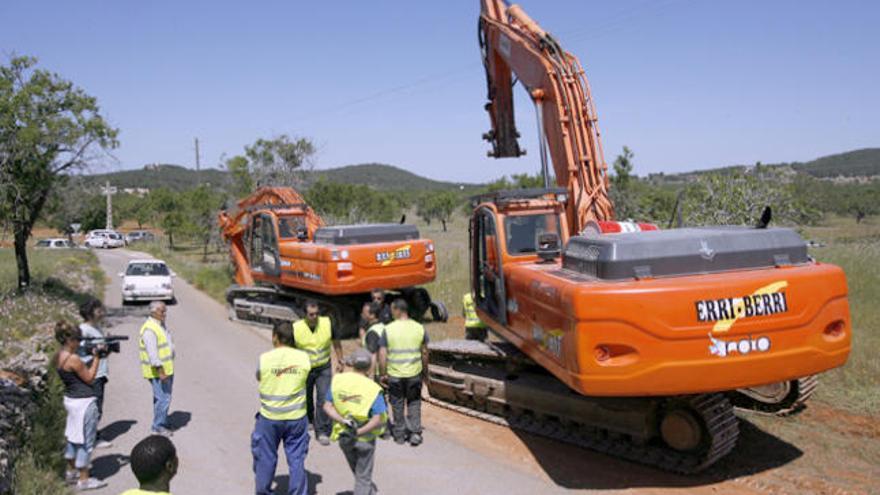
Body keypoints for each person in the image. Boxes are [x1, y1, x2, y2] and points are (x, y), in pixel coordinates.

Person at [252, 322, 311, 495]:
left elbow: (259, 376)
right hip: (296, 418)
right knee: (296, 459)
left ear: (275, 336)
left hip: (270, 417)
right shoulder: (303, 358)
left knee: (266, 458)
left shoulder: (265, 358)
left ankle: (263, 492)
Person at [323, 349, 387, 495]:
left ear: (352, 364)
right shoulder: (373, 389)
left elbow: (327, 406)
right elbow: (378, 418)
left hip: (344, 436)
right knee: (363, 477)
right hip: (365, 437)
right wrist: (357, 432)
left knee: (358, 472)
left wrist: (343, 420)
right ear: (370, 366)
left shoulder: (338, 381)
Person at [54, 321, 107, 491]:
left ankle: (71, 472)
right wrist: (97, 358)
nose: (79, 343)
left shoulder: (59, 356)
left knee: (72, 437)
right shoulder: (74, 359)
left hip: (71, 400)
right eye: (77, 339)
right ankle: (84, 480)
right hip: (84, 403)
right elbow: (90, 378)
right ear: (69, 340)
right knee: (86, 442)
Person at [291, 300, 343, 446]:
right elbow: (290, 350)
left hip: (323, 367)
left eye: (316, 314)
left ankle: (322, 431)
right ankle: (309, 420)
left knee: (323, 397)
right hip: (305, 368)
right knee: (306, 396)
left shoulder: (327, 323)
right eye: (311, 314)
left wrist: (340, 359)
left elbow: (336, 342)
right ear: (305, 315)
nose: (314, 317)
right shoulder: (296, 328)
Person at [378, 299, 428, 446]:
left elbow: (382, 354)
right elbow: (425, 352)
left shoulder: (388, 329)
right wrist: (425, 373)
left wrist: (382, 373)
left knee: (397, 403)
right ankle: (415, 433)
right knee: (414, 402)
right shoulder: (419, 328)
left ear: (398, 311)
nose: (391, 313)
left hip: (395, 375)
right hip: (414, 374)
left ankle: (399, 435)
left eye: (393, 310)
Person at [78, 298, 113, 448]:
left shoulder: (96, 328)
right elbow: (81, 353)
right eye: (99, 310)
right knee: (94, 409)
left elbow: (99, 351)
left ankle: (93, 433)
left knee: (97, 407)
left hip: (100, 372)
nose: (102, 312)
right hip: (92, 374)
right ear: (91, 313)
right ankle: (90, 440)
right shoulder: (83, 330)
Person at [138, 301, 175, 436]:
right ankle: (158, 426)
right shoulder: (149, 330)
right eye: (162, 311)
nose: (165, 314)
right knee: (164, 398)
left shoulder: (160, 325)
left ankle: (161, 420)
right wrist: (161, 371)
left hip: (166, 369)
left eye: (165, 311)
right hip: (158, 371)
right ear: (153, 312)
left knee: (161, 398)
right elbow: (153, 354)